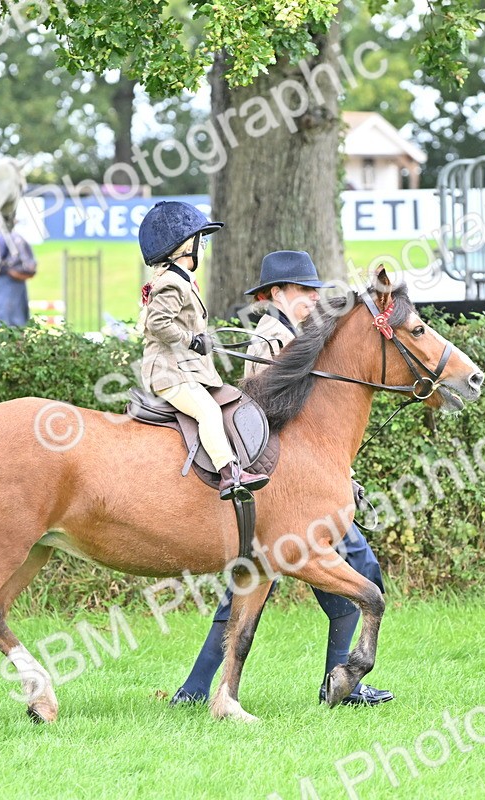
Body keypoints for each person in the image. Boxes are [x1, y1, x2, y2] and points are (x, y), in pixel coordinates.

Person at [171, 250, 394, 708]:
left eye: (315, 291)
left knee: (265, 580)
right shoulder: (270, 338)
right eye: (301, 291)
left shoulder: (297, 334)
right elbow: (265, 412)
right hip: (287, 487)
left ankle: (197, 691)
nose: (311, 299)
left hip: (305, 482)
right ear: (274, 294)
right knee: (336, 574)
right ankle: (338, 682)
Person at [138, 200, 269, 500]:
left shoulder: (181, 281)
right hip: (169, 373)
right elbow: (159, 323)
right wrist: (192, 340)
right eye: (201, 240)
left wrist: (201, 337)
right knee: (208, 411)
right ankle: (229, 475)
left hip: (184, 369)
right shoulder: (173, 282)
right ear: (185, 246)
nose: (204, 246)